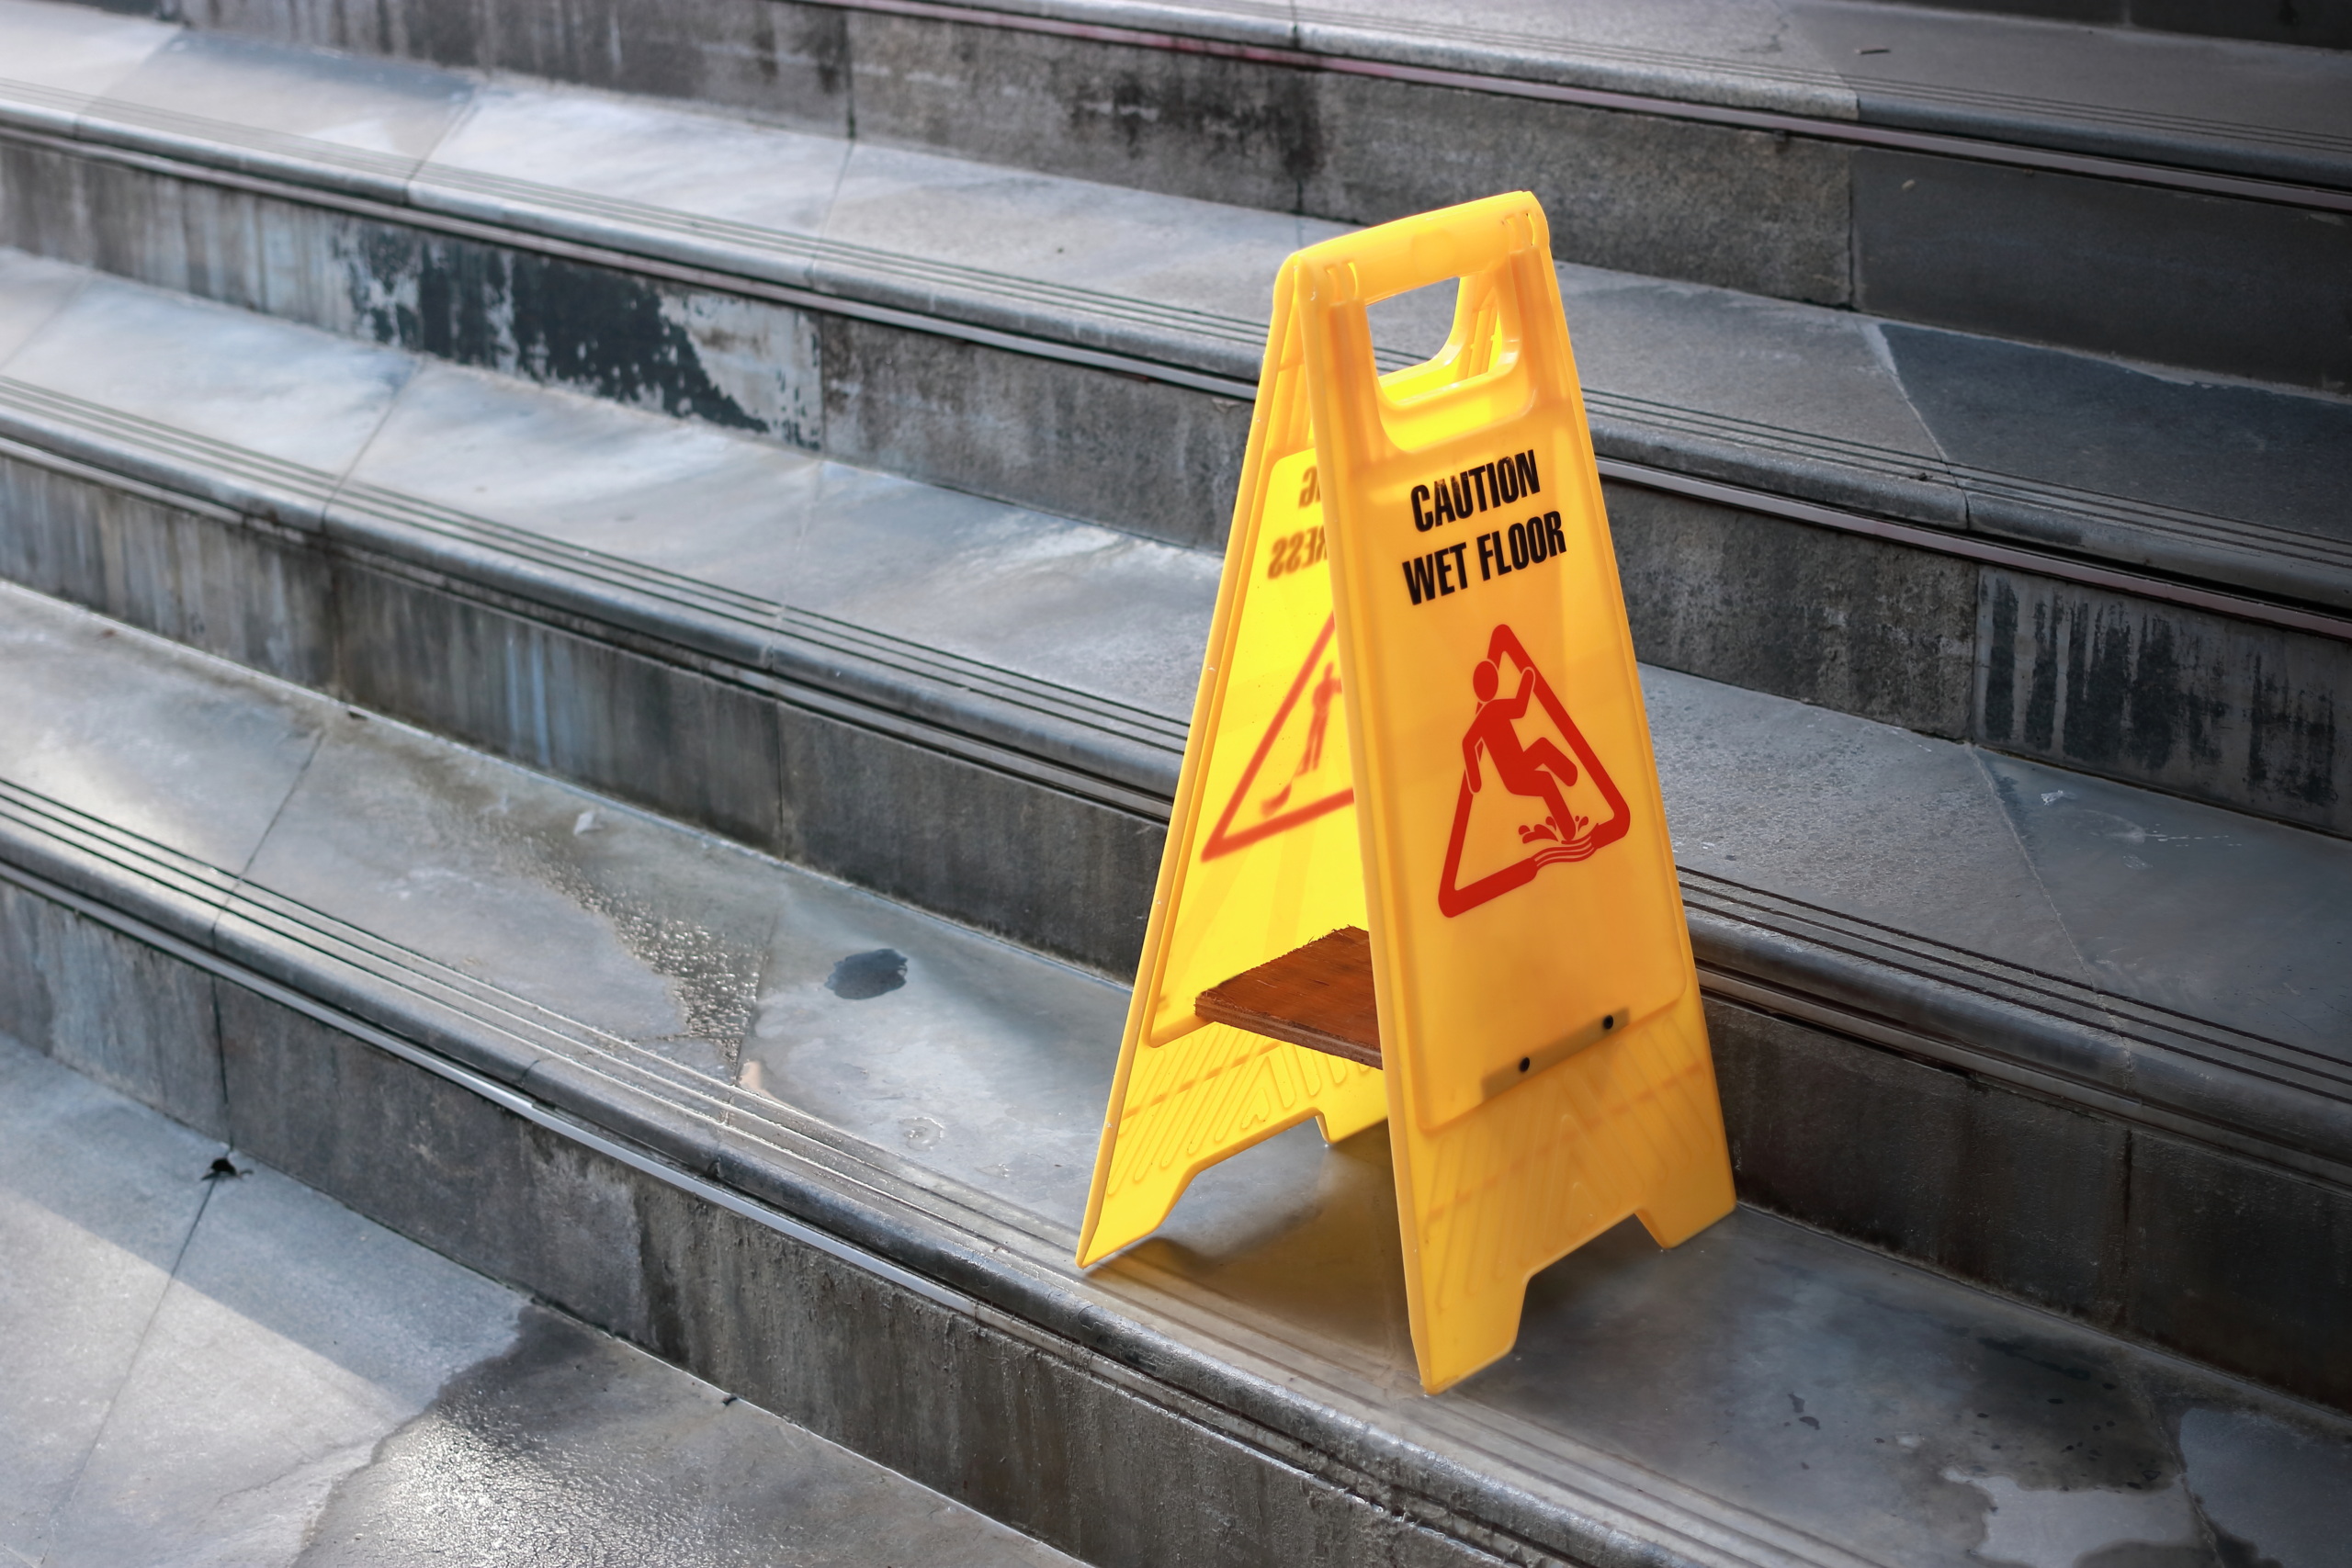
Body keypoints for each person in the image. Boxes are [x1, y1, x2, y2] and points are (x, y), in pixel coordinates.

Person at [1462, 659, 1580, 843]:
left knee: (1542, 748)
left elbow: (1468, 743)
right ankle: (1569, 829)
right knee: (1546, 782)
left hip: (1519, 765)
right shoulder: (1492, 711)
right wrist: (1527, 679)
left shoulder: (1488, 713)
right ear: (1494, 684)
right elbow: (1520, 707)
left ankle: (1571, 776)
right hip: (1515, 775)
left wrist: (1475, 779)